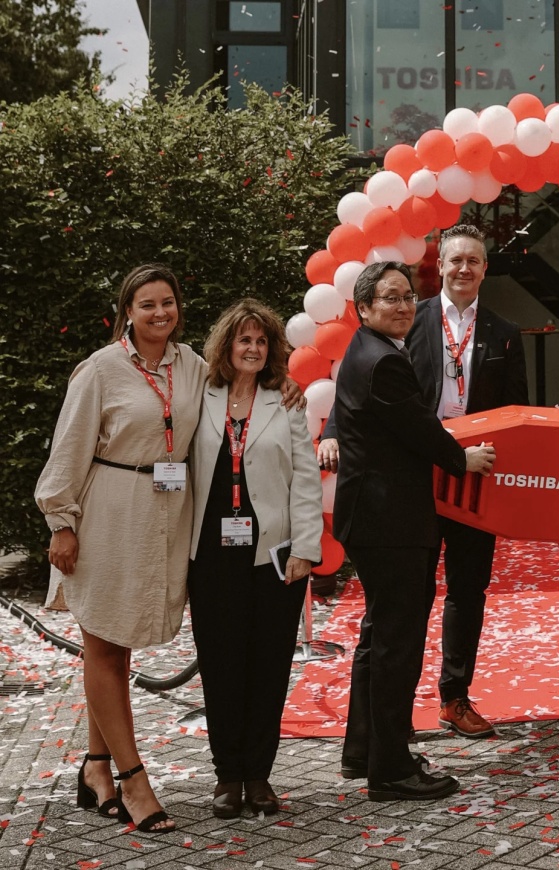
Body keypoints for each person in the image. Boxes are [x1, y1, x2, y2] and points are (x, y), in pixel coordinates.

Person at [319, 224, 527, 739]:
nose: (464, 269)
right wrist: (331, 430)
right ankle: (392, 712)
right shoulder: (409, 315)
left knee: (467, 589)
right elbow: (361, 377)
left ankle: (455, 697)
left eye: (474, 261)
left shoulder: (505, 332)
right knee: (402, 603)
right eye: (455, 260)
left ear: (484, 268)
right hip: (414, 472)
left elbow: (519, 410)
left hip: (474, 474)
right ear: (442, 265)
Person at [36, 264, 202, 833]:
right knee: (104, 647)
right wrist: (62, 522)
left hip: (161, 514)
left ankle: (96, 767)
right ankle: (134, 781)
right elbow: (69, 446)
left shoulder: (193, 365)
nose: (160, 313)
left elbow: (236, 399)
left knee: (117, 647)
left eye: (169, 303)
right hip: (107, 511)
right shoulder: (102, 370)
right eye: (147, 304)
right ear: (126, 312)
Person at [332, 261, 495, 801]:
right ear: (365, 308)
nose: (403, 307)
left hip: (374, 517)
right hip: (391, 521)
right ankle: (392, 769)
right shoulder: (383, 362)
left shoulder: (368, 350)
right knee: (397, 643)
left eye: (407, 297)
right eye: (390, 299)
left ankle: (363, 750)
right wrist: (462, 459)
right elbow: (421, 431)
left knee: (379, 636)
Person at [187, 299, 323, 819]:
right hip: (212, 559)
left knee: (268, 666)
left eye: (261, 341)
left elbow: (305, 481)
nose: (253, 348)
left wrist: (306, 550)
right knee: (221, 665)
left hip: (274, 558)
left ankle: (260, 776)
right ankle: (227, 776)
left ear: (272, 351)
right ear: (227, 346)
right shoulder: (201, 396)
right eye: (244, 339)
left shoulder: (285, 400)